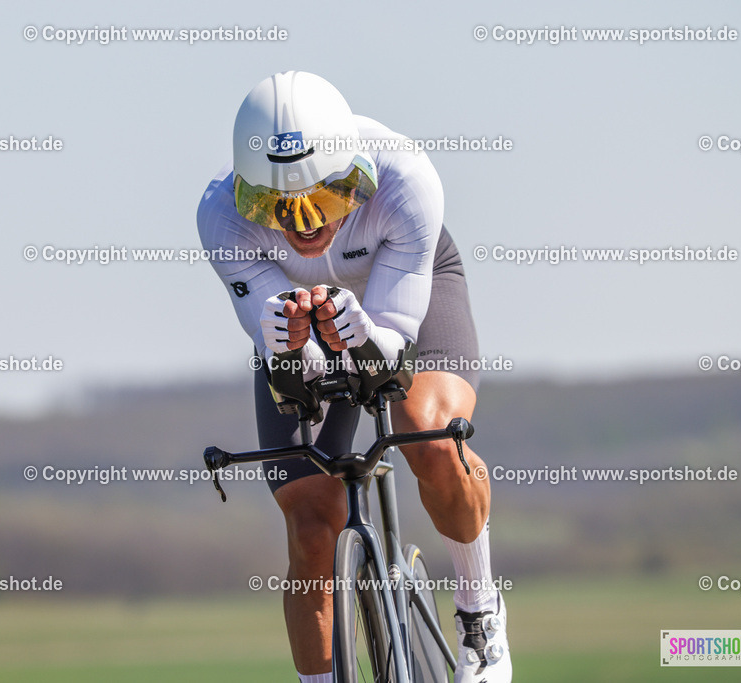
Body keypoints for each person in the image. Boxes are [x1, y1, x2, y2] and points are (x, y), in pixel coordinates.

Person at [197, 71, 511, 683]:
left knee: (429, 431)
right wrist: (298, 354)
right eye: (274, 207)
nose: (305, 225)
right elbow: (294, 365)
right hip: (299, 316)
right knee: (312, 521)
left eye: (328, 197)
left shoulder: (405, 179)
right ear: (245, 192)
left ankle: (478, 611)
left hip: (398, 296)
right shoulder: (220, 215)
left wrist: (362, 339)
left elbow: (391, 343)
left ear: (356, 173)